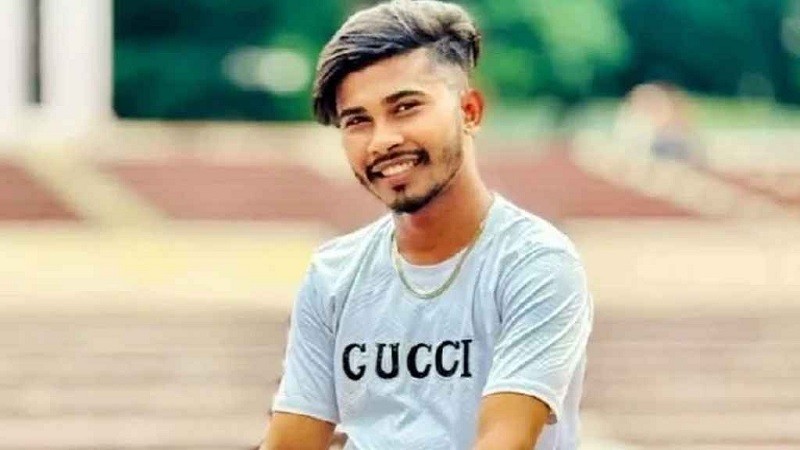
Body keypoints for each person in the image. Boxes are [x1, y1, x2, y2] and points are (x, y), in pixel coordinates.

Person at [262, 1, 593, 449]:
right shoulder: (333, 274)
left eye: (405, 108)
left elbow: (504, 440)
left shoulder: (534, 264)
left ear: (469, 111)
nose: (382, 141)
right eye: (357, 121)